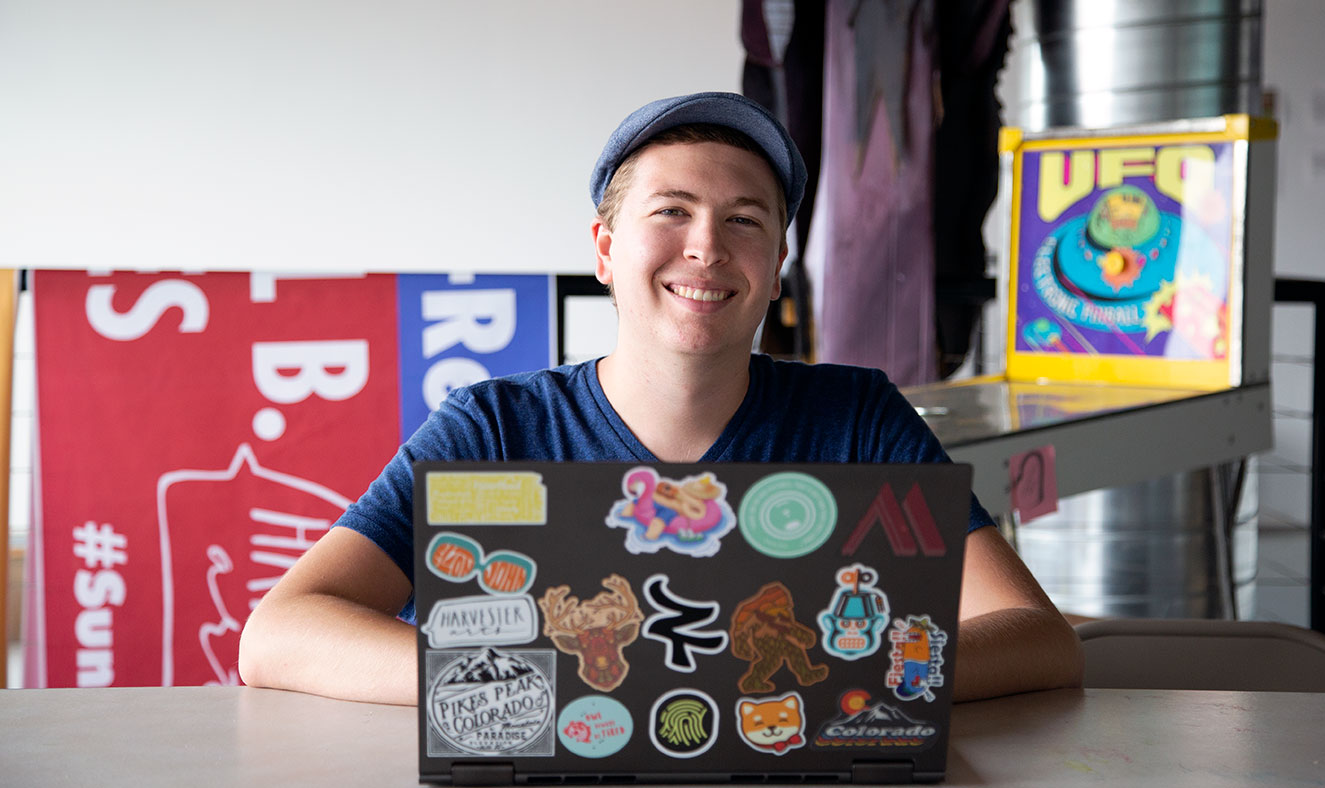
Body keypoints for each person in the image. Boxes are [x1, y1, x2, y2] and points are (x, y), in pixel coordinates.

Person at [238, 92, 1082, 705]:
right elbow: (280, 633)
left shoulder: (857, 418)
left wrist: (832, 673)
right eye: (671, 211)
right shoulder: (492, 426)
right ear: (604, 249)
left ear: (778, 265)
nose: (707, 247)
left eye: (745, 220)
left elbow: (1038, 638)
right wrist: (526, 681)